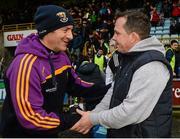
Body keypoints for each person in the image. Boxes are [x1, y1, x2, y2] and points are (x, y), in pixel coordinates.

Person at [0, 5, 109, 137]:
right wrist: (74, 120)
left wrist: (110, 90)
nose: (70, 36)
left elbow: (76, 85)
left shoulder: (61, 55)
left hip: (50, 132)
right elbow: (30, 118)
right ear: (46, 31)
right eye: (65, 30)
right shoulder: (25, 64)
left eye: (71, 30)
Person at [70, 9, 173, 138]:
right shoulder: (127, 57)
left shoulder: (152, 65)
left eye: (117, 33)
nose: (113, 38)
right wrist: (92, 115)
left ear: (133, 37)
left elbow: (129, 113)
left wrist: (93, 119)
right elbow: (113, 92)